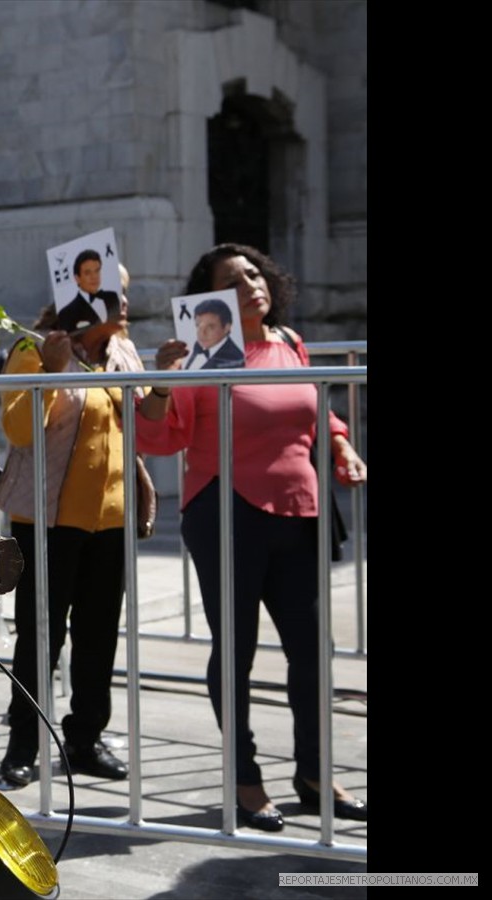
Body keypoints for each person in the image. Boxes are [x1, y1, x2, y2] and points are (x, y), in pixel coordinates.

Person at [136, 242, 368, 831]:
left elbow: (318, 410)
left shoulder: (289, 342)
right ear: (211, 301)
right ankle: (244, 778)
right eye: (235, 280)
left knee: (311, 654)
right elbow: (161, 439)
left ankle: (315, 773)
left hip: (299, 513)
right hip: (225, 512)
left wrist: (340, 444)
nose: (252, 283)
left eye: (256, 274)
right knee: (234, 651)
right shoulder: (202, 355)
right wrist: (162, 385)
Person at [0, 266, 148, 790]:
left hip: (111, 519)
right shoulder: (33, 348)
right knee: (40, 635)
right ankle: (23, 742)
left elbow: (146, 421)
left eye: (123, 291)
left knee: (98, 634)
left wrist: (169, 382)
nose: (123, 300)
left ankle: (85, 738)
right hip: (47, 519)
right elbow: (17, 428)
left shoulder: (123, 351)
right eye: (112, 291)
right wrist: (52, 370)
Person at [57, 249, 120, 333]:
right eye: (87, 273)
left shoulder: (112, 297)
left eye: (97, 271)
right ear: (77, 278)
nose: (94, 277)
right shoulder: (67, 312)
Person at [184, 297, 245, 370]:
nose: (202, 333)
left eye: (210, 327)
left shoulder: (236, 358)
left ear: (226, 328)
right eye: (198, 326)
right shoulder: (193, 349)